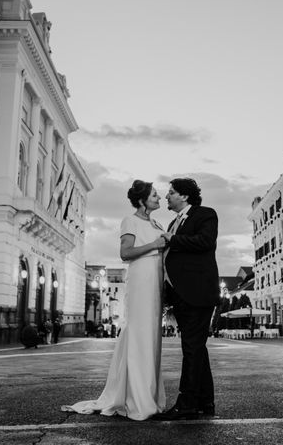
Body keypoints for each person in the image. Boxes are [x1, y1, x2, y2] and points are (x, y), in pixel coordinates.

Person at [61, 180, 167, 421]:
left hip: (155, 281)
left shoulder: (157, 223)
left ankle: (148, 395)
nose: (159, 198)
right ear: (142, 200)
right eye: (154, 195)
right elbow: (125, 253)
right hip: (141, 280)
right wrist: (155, 245)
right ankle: (136, 398)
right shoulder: (130, 221)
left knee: (151, 337)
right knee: (140, 334)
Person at [155, 178, 220, 420]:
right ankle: (205, 402)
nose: (166, 197)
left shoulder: (205, 214)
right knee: (196, 349)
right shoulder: (173, 221)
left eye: (171, 193)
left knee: (192, 349)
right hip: (182, 295)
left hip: (198, 292)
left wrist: (173, 239)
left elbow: (205, 242)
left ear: (184, 196)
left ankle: (187, 403)